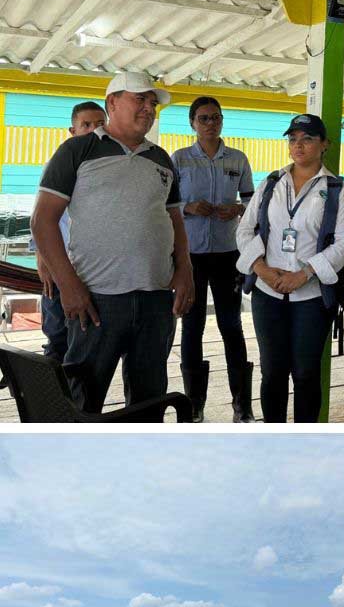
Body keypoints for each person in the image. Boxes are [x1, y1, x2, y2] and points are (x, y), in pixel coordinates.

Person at [30, 71, 194, 416]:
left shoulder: (161, 159)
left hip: (156, 299)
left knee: (150, 399)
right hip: (97, 300)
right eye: (140, 99)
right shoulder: (78, 150)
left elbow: (174, 220)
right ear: (113, 102)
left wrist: (185, 270)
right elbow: (42, 221)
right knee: (84, 400)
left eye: (152, 103)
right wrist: (69, 286)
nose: (149, 108)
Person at [235, 113, 344, 423]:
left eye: (307, 139)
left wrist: (304, 274)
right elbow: (245, 230)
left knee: (305, 373)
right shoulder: (272, 182)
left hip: (310, 296)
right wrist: (261, 268)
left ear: (324, 144)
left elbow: (343, 244)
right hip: (267, 291)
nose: (298, 146)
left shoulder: (336, 189)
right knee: (272, 371)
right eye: (293, 140)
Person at [172, 97, 256, 422]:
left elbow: (252, 202)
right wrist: (187, 208)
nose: (211, 123)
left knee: (231, 326)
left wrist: (237, 209)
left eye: (216, 118)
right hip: (189, 257)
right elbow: (164, 206)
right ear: (192, 123)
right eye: (204, 118)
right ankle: (194, 406)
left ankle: (242, 405)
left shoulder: (237, 159)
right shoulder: (179, 159)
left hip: (226, 255)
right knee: (191, 328)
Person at [31, 101, 106, 362]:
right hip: (60, 265)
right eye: (86, 125)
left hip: (96, 269)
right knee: (57, 334)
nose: (94, 130)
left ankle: (79, 399)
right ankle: (51, 400)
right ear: (72, 131)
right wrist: (42, 259)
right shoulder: (59, 163)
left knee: (88, 338)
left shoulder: (111, 165)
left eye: (100, 124)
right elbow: (41, 218)